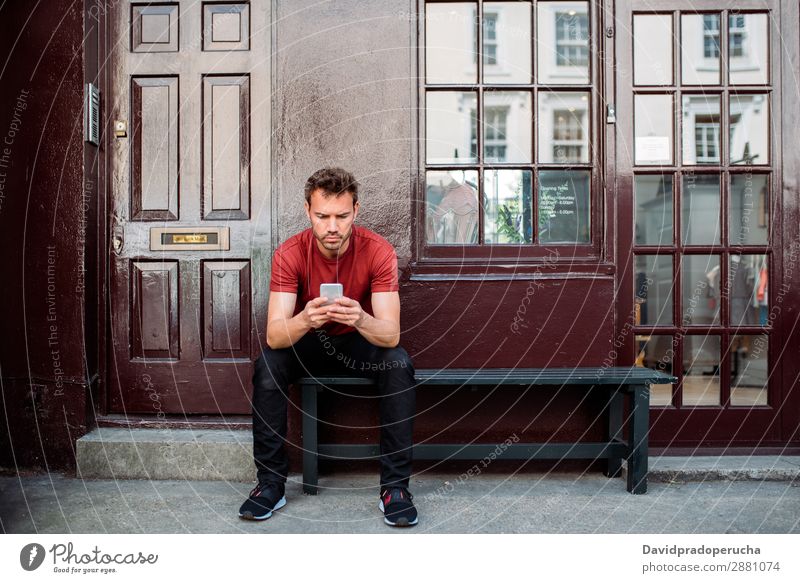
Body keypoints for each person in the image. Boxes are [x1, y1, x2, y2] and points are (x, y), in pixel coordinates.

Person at [238, 167, 418, 527]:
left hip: (356, 341)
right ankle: (270, 484)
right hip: (308, 341)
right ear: (308, 212)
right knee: (268, 365)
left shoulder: (378, 251)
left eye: (341, 216)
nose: (332, 226)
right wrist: (306, 318)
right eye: (322, 216)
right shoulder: (290, 253)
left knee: (398, 363)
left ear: (356, 211)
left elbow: (390, 334)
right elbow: (275, 335)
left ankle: (395, 488)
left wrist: (360, 319)